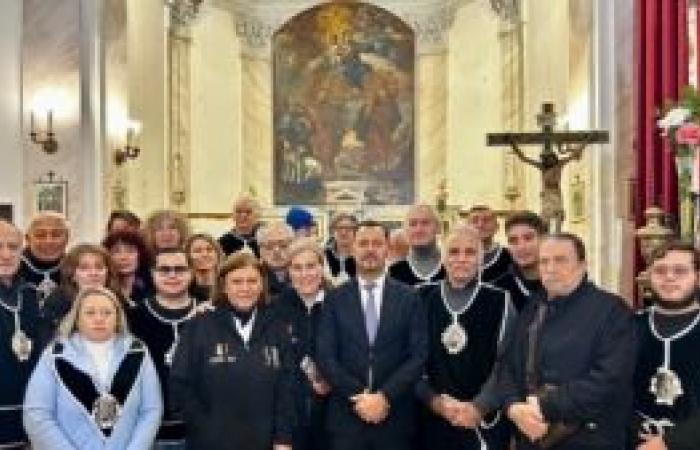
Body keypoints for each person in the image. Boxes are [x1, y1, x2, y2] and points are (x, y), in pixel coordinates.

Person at [484, 233, 635, 449]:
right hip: (530, 436)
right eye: (544, 261)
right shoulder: (533, 307)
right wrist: (513, 408)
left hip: (590, 439)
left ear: (583, 265)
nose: (550, 268)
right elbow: (507, 365)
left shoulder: (612, 311)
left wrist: (542, 406)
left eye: (560, 260)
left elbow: (609, 379)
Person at [317, 220, 428, 450]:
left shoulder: (410, 298)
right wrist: (360, 397)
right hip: (346, 419)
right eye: (363, 243)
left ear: (387, 248)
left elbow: (419, 355)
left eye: (376, 243)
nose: (369, 249)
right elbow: (326, 355)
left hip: (395, 417)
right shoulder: (335, 298)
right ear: (352, 249)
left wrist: (384, 397)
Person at [170, 252, 294, 450]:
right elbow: (179, 383)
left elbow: (287, 388)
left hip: (266, 441)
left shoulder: (277, 328)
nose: (245, 288)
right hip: (210, 442)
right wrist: (205, 427)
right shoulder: (199, 325)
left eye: (252, 281)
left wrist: (284, 438)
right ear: (224, 286)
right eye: (237, 281)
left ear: (262, 285)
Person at [23, 286, 163, 449]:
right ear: (77, 318)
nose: (99, 319)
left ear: (117, 317)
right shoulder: (54, 355)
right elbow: (37, 415)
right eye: (90, 313)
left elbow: (151, 410)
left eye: (107, 313)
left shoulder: (137, 351)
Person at [416, 225, 515, 450]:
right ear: (442, 258)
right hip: (430, 419)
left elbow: (508, 364)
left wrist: (479, 406)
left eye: (470, 253)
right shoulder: (420, 297)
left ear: (481, 260)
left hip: (483, 420)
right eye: (453, 252)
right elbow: (410, 360)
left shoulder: (501, 301)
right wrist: (435, 401)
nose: (461, 259)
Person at [632, 242, 700, 450]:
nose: (669, 277)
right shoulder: (628, 327)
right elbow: (612, 389)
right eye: (660, 270)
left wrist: (671, 442)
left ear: (697, 277)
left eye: (680, 271)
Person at [129, 248, 197, 449]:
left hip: (202, 432)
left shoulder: (210, 315)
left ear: (191, 273)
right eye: (164, 269)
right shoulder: (133, 317)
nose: (172, 275)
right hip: (149, 434)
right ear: (152, 274)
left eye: (180, 269)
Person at [275, 237, 331, 450]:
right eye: (297, 267)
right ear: (288, 271)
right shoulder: (276, 308)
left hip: (333, 417)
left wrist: (332, 378)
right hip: (291, 419)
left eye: (311, 266)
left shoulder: (340, 303)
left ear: (321, 267)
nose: (305, 274)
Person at [0, 221, 43, 449]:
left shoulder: (31, 294)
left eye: (13, 247)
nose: (6, 254)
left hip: (29, 416)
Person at [42, 244, 120, 333]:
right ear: (72, 275)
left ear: (107, 272)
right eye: (84, 268)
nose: (93, 273)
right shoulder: (57, 302)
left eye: (99, 267)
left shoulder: (117, 299)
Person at [495, 211, 547, 311]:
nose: (521, 247)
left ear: (544, 239)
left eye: (528, 238)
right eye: (513, 241)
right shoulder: (497, 290)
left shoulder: (566, 285)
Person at [389, 205, 446, 286]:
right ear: (405, 230)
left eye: (425, 223)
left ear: (438, 228)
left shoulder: (452, 266)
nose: (419, 229)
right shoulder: (393, 273)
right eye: (413, 224)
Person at [19, 212, 70, 303]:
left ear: (67, 239)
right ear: (28, 239)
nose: (48, 241)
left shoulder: (75, 268)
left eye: (56, 235)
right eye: (40, 235)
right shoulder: (12, 267)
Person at [103, 230, 154, 307]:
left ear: (140, 255)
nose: (123, 257)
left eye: (130, 251)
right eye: (116, 252)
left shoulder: (152, 286)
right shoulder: (103, 288)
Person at [464, 206, 512, 283]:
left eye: (486, 220)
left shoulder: (509, 256)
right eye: (475, 221)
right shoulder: (457, 257)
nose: (480, 225)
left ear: (497, 226)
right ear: (466, 227)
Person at [257, 221, 295, 296]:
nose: (276, 251)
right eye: (269, 246)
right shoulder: (253, 276)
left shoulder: (304, 273)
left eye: (283, 245)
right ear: (260, 250)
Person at [185, 233, 223, 303]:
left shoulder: (227, 286)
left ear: (217, 254)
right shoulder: (184, 289)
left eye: (209, 249)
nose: (205, 254)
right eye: (197, 251)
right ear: (188, 256)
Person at [324, 213, 358, 283]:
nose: (343, 232)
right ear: (332, 232)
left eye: (348, 228)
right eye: (339, 228)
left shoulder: (361, 256)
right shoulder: (324, 255)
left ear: (355, 231)